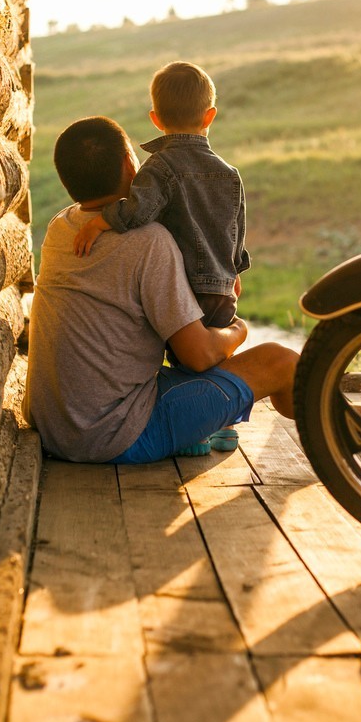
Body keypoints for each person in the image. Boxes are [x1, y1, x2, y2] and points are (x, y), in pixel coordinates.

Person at [23, 116, 298, 465]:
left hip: (53, 427)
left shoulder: (62, 227)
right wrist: (237, 331)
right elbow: (199, 354)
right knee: (281, 361)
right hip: (112, 434)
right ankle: (355, 425)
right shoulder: (147, 241)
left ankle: (350, 420)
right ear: (129, 162)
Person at [72, 61, 249, 451]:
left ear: (155, 119)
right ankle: (226, 425)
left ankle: (199, 430)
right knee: (215, 352)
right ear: (210, 116)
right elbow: (235, 228)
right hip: (221, 284)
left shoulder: (160, 167)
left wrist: (101, 223)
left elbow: (138, 211)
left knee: (185, 358)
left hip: (183, 284)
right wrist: (234, 270)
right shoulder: (229, 173)